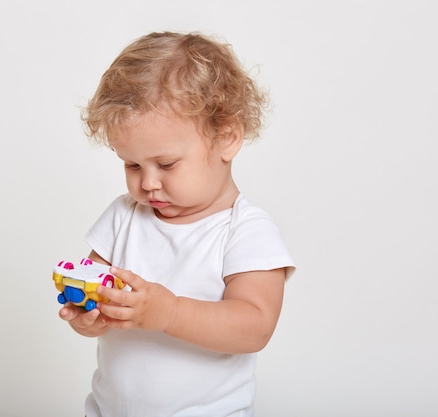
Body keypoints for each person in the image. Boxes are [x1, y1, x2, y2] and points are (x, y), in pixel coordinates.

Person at [58, 31, 295, 417]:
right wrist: (88, 317)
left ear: (227, 137)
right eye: (132, 165)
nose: (147, 183)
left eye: (165, 164)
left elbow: (255, 326)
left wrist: (168, 313)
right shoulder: (124, 215)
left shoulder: (245, 230)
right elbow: (97, 293)